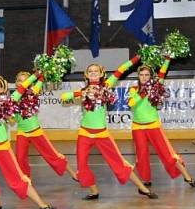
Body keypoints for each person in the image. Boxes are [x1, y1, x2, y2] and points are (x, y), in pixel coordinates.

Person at [61, 61, 157, 200]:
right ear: (87, 75)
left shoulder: (106, 86)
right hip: (85, 133)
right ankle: (94, 191)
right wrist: (82, 92)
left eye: (96, 71)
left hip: (102, 134)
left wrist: (137, 58)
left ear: (101, 74)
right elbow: (64, 97)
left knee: (119, 162)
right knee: (81, 166)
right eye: (90, 71)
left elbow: (120, 70)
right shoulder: (83, 91)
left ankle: (143, 188)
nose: (93, 73)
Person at [0, 76, 56, 209]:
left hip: (1, 146)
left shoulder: (8, 101)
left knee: (16, 176)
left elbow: (22, 88)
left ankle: (42, 204)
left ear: (3, 89)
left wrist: (36, 75)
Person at [129, 62, 195, 187]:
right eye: (141, 75)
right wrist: (144, 92)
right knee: (142, 155)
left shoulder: (156, 87)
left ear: (151, 76)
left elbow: (162, 73)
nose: (144, 77)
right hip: (137, 127)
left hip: (153, 126)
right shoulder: (133, 89)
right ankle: (146, 179)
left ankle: (187, 176)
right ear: (138, 76)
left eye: (147, 75)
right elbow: (131, 103)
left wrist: (167, 59)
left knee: (168, 153)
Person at [12, 71, 78, 181]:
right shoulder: (14, 97)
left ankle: (73, 173)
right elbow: (12, 116)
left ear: (31, 83)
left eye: (25, 80)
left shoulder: (34, 91)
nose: (22, 83)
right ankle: (27, 182)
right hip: (22, 132)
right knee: (20, 158)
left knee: (52, 154)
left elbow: (42, 78)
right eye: (19, 80)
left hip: (35, 131)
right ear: (15, 83)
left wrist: (44, 67)